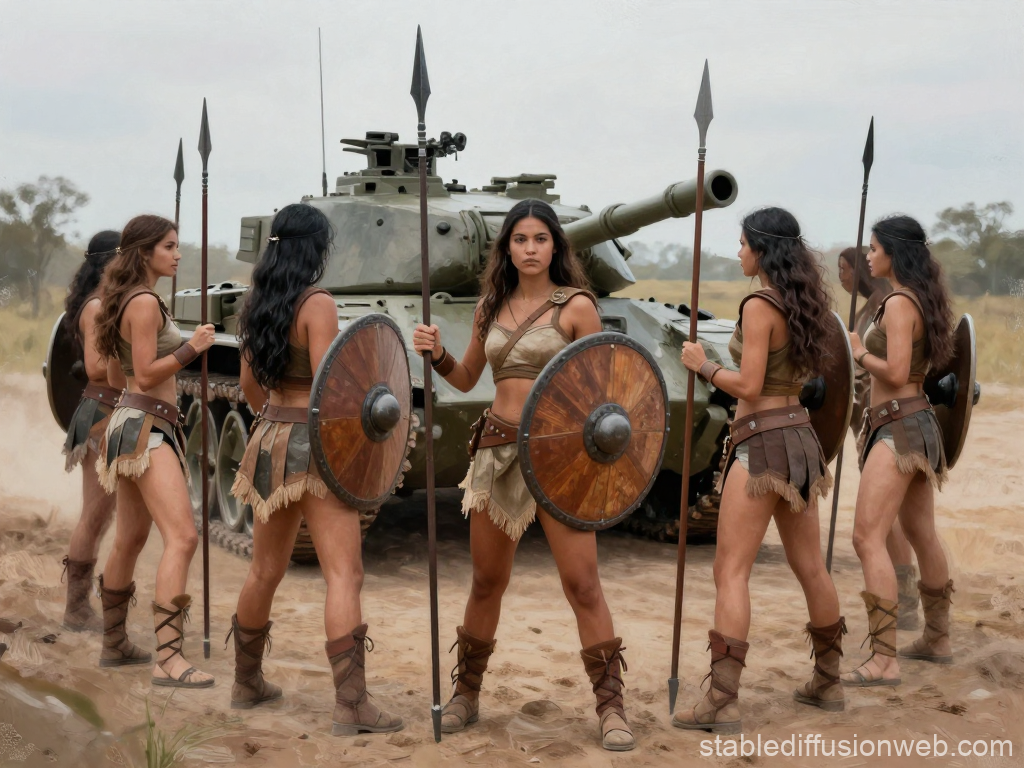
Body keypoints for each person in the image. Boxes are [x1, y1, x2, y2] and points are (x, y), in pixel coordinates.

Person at [413, 198, 635, 752]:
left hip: (561, 458)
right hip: (495, 451)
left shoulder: (578, 307)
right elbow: (466, 379)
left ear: (556, 246)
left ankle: (611, 708)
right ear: (506, 247)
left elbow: (602, 394)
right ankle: (466, 694)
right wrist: (438, 354)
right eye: (520, 240)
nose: (530, 249)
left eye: (540, 239)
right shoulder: (491, 305)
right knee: (487, 581)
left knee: (582, 585)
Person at [228, 203, 403, 736]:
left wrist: (281, 408)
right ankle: (351, 705)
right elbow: (336, 386)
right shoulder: (318, 303)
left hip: (269, 438)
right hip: (315, 444)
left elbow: (249, 388)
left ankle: (246, 682)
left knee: (264, 571)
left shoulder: (257, 304)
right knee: (344, 575)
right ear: (316, 249)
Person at [673, 207, 843, 734]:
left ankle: (723, 701)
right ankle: (829, 681)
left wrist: (702, 363)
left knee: (731, 572)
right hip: (801, 439)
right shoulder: (804, 302)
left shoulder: (757, 305)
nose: (739, 252)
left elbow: (747, 386)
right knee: (811, 567)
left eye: (743, 243)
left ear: (762, 250)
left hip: (760, 443)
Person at [93, 214, 216, 688]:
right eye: (169, 246)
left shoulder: (125, 300)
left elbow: (115, 378)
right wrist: (195, 347)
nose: (178, 254)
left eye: (178, 245)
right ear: (145, 252)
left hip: (130, 421)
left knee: (129, 540)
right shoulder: (144, 302)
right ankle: (168, 659)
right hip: (148, 427)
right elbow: (145, 375)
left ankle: (114, 643)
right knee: (183, 538)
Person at [841, 216, 956, 688]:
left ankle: (885, 658)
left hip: (898, 427)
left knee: (867, 537)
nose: (868, 256)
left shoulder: (899, 303)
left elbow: (897, 371)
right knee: (921, 532)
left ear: (893, 252)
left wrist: (856, 350)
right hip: (913, 426)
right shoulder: (915, 298)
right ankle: (937, 638)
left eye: (873, 248)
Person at [838, 246, 921, 632]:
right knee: (901, 521)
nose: (841, 277)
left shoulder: (887, 303)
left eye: (845, 269)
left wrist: (857, 356)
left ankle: (903, 603)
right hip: (875, 415)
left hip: (888, 415)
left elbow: (892, 368)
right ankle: (908, 605)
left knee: (882, 523)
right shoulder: (873, 303)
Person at [60, 230, 125, 631]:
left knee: (105, 516)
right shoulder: (98, 306)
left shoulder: (105, 303)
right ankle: (76, 608)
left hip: (109, 410)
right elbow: (98, 367)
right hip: (102, 411)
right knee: (95, 517)